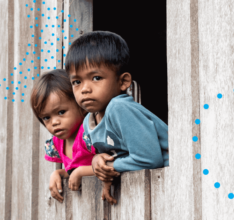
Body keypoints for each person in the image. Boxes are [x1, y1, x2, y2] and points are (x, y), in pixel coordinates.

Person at [65, 31, 169, 204]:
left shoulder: (119, 108)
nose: (84, 89)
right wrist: (98, 162)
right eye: (77, 82)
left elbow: (149, 159)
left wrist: (111, 167)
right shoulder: (89, 120)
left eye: (96, 78)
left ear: (123, 82)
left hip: (173, 175)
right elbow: (114, 157)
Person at [30, 69, 96, 203]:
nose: (54, 122)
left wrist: (82, 172)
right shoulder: (57, 143)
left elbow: (112, 164)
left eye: (61, 112)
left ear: (81, 106)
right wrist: (59, 173)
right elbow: (76, 167)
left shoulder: (90, 133)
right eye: (46, 117)